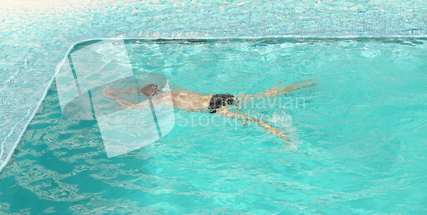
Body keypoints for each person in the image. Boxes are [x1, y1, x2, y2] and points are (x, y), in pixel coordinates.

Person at [103, 80, 316, 142]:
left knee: (251, 119)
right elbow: (141, 91)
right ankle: (301, 85)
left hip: (213, 107)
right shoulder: (171, 90)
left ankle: (281, 134)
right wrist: (120, 90)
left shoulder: (161, 103)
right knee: (265, 94)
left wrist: (115, 98)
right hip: (217, 96)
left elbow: (133, 108)